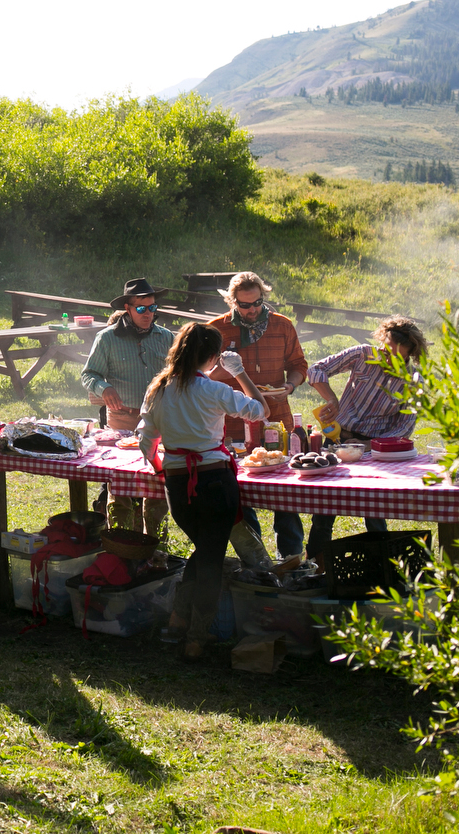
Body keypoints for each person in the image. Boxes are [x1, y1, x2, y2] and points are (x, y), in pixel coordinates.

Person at [138, 323, 267, 658]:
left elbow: (146, 438)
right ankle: (196, 637)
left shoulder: (159, 389)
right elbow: (260, 411)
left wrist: (157, 465)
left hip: (178, 484)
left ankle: (178, 622)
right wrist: (239, 374)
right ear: (211, 356)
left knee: (205, 551)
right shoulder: (211, 389)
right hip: (214, 482)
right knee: (210, 557)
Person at [303, 316, 429, 560]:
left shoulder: (414, 383)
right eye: (386, 347)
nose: (386, 355)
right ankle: (315, 564)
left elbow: (403, 428)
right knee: (324, 508)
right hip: (337, 440)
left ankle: (382, 563)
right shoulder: (362, 354)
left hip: (375, 449)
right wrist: (331, 399)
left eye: (395, 354)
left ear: (409, 354)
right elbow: (316, 370)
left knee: (374, 511)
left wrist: (368, 446)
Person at [208, 271, 309, 559]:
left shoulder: (282, 326)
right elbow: (202, 375)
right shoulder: (216, 330)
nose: (252, 310)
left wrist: (290, 385)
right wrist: (226, 367)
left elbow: (299, 364)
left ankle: (291, 557)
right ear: (233, 302)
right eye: (245, 305)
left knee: (285, 491)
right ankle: (257, 560)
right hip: (232, 422)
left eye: (257, 303)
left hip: (276, 417)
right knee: (239, 493)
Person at [80, 278, 176, 536]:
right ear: (128, 308)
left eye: (153, 308)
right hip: (122, 419)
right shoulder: (107, 338)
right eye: (142, 309)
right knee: (119, 482)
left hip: (159, 419)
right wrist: (104, 388)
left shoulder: (166, 337)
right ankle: (120, 542)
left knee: (156, 482)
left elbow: (180, 373)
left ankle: (154, 543)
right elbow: (89, 374)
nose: (148, 314)